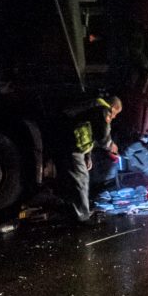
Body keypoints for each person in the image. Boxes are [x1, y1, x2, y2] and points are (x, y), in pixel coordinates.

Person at [59, 95, 122, 224]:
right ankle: (82, 217)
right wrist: (112, 146)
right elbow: (102, 136)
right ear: (113, 107)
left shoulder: (94, 106)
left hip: (70, 142)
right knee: (81, 178)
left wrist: (88, 156)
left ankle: (76, 211)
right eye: (116, 113)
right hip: (72, 144)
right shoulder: (104, 109)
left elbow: (88, 132)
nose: (114, 117)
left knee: (76, 178)